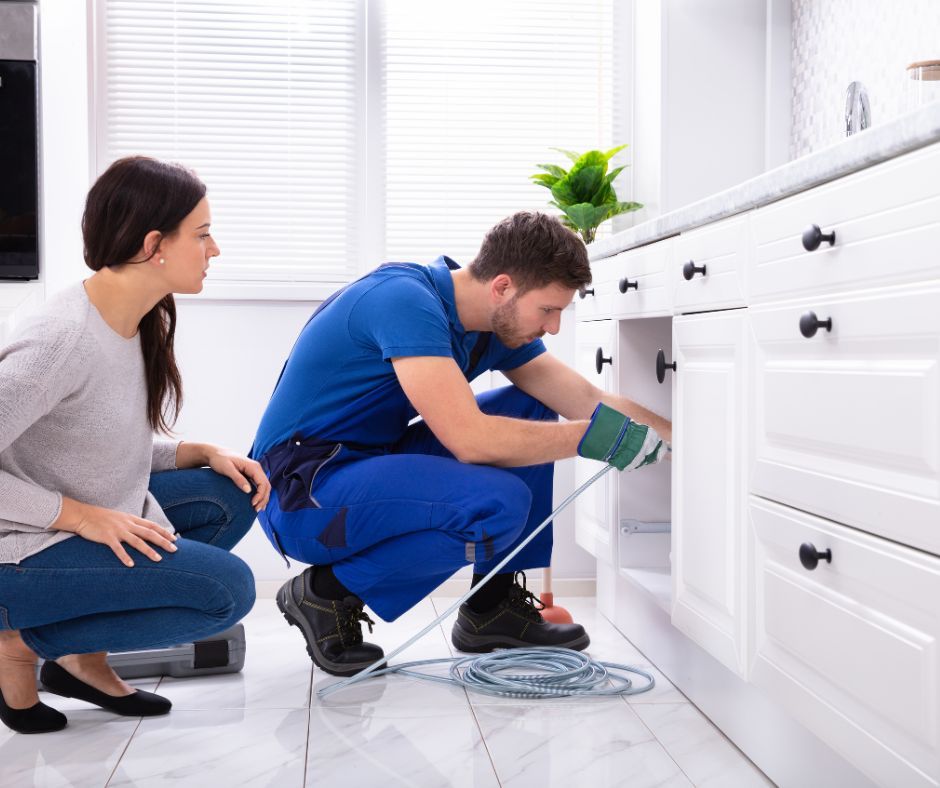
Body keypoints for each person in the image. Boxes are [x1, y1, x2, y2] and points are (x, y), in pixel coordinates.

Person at [251, 211, 670, 677]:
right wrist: (595, 440)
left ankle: (491, 606)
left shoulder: (492, 326)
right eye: (548, 310)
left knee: (528, 405)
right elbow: (470, 440)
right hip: (300, 492)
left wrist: (684, 439)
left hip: (368, 465)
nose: (553, 328)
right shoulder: (402, 300)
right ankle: (327, 593)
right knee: (497, 503)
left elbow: (587, 401)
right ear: (503, 287)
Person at [0, 156, 270, 735]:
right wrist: (79, 518)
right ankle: (18, 644)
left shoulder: (136, 318)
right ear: (154, 245)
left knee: (227, 493)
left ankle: (81, 662)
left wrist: (192, 451)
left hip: (62, 524)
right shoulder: (59, 340)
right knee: (226, 591)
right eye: (201, 235)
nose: (214, 249)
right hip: (15, 547)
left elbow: (87, 438)